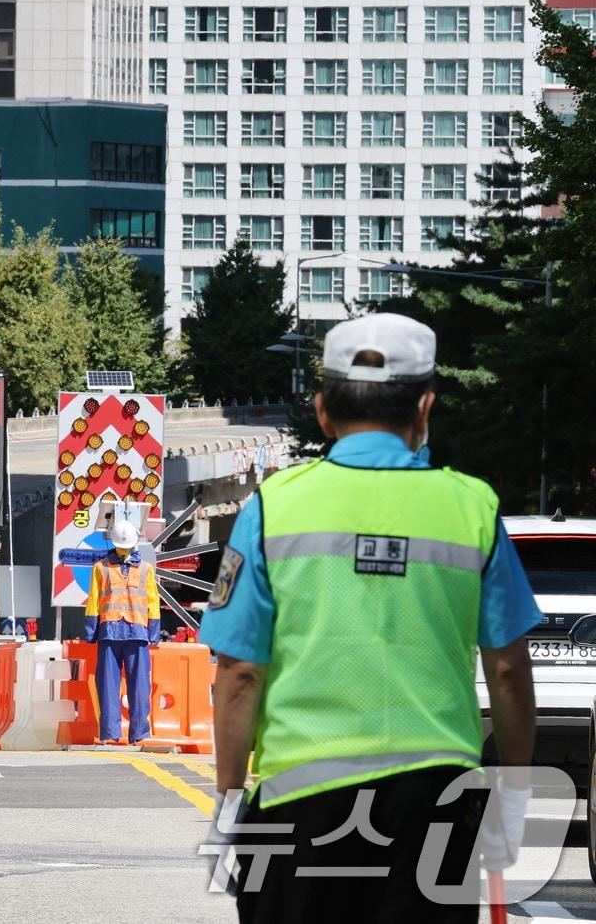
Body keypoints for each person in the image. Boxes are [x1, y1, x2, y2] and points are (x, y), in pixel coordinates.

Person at [199, 313, 540, 922]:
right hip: (435, 808)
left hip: (300, 801)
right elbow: (509, 669)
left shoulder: (273, 508)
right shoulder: (472, 508)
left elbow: (240, 674)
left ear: (323, 409)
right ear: (425, 407)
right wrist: (512, 798)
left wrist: (228, 804)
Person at [84, 516, 161, 745]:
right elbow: (94, 600)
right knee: (110, 684)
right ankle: (113, 733)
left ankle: (136, 732)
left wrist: (153, 632)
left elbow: (152, 601)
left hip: (133, 631)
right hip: (115, 630)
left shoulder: (145, 570)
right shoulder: (101, 568)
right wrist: (91, 630)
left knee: (136, 685)